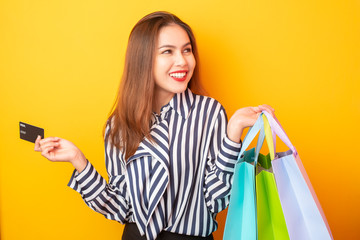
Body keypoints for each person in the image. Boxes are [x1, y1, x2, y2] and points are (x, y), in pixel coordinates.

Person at [35, 11, 275, 240]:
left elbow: (217, 199)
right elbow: (120, 208)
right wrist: (78, 160)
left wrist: (233, 135)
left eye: (187, 50)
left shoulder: (209, 112)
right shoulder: (118, 125)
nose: (182, 61)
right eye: (167, 51)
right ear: (143, 60)